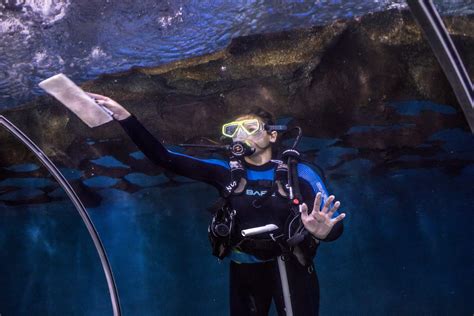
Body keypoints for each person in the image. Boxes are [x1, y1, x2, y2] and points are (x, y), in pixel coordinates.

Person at [87, 92, 346, 316]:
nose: (240, 135)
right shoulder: (225, 173)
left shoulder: (299, 173)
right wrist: (124, 116)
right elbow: (163, 157)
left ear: (272, 136)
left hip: (291, 267)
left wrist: (324, 233)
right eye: (233, 130)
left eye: (251, 128)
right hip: (245, 269)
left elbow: (332, 225)